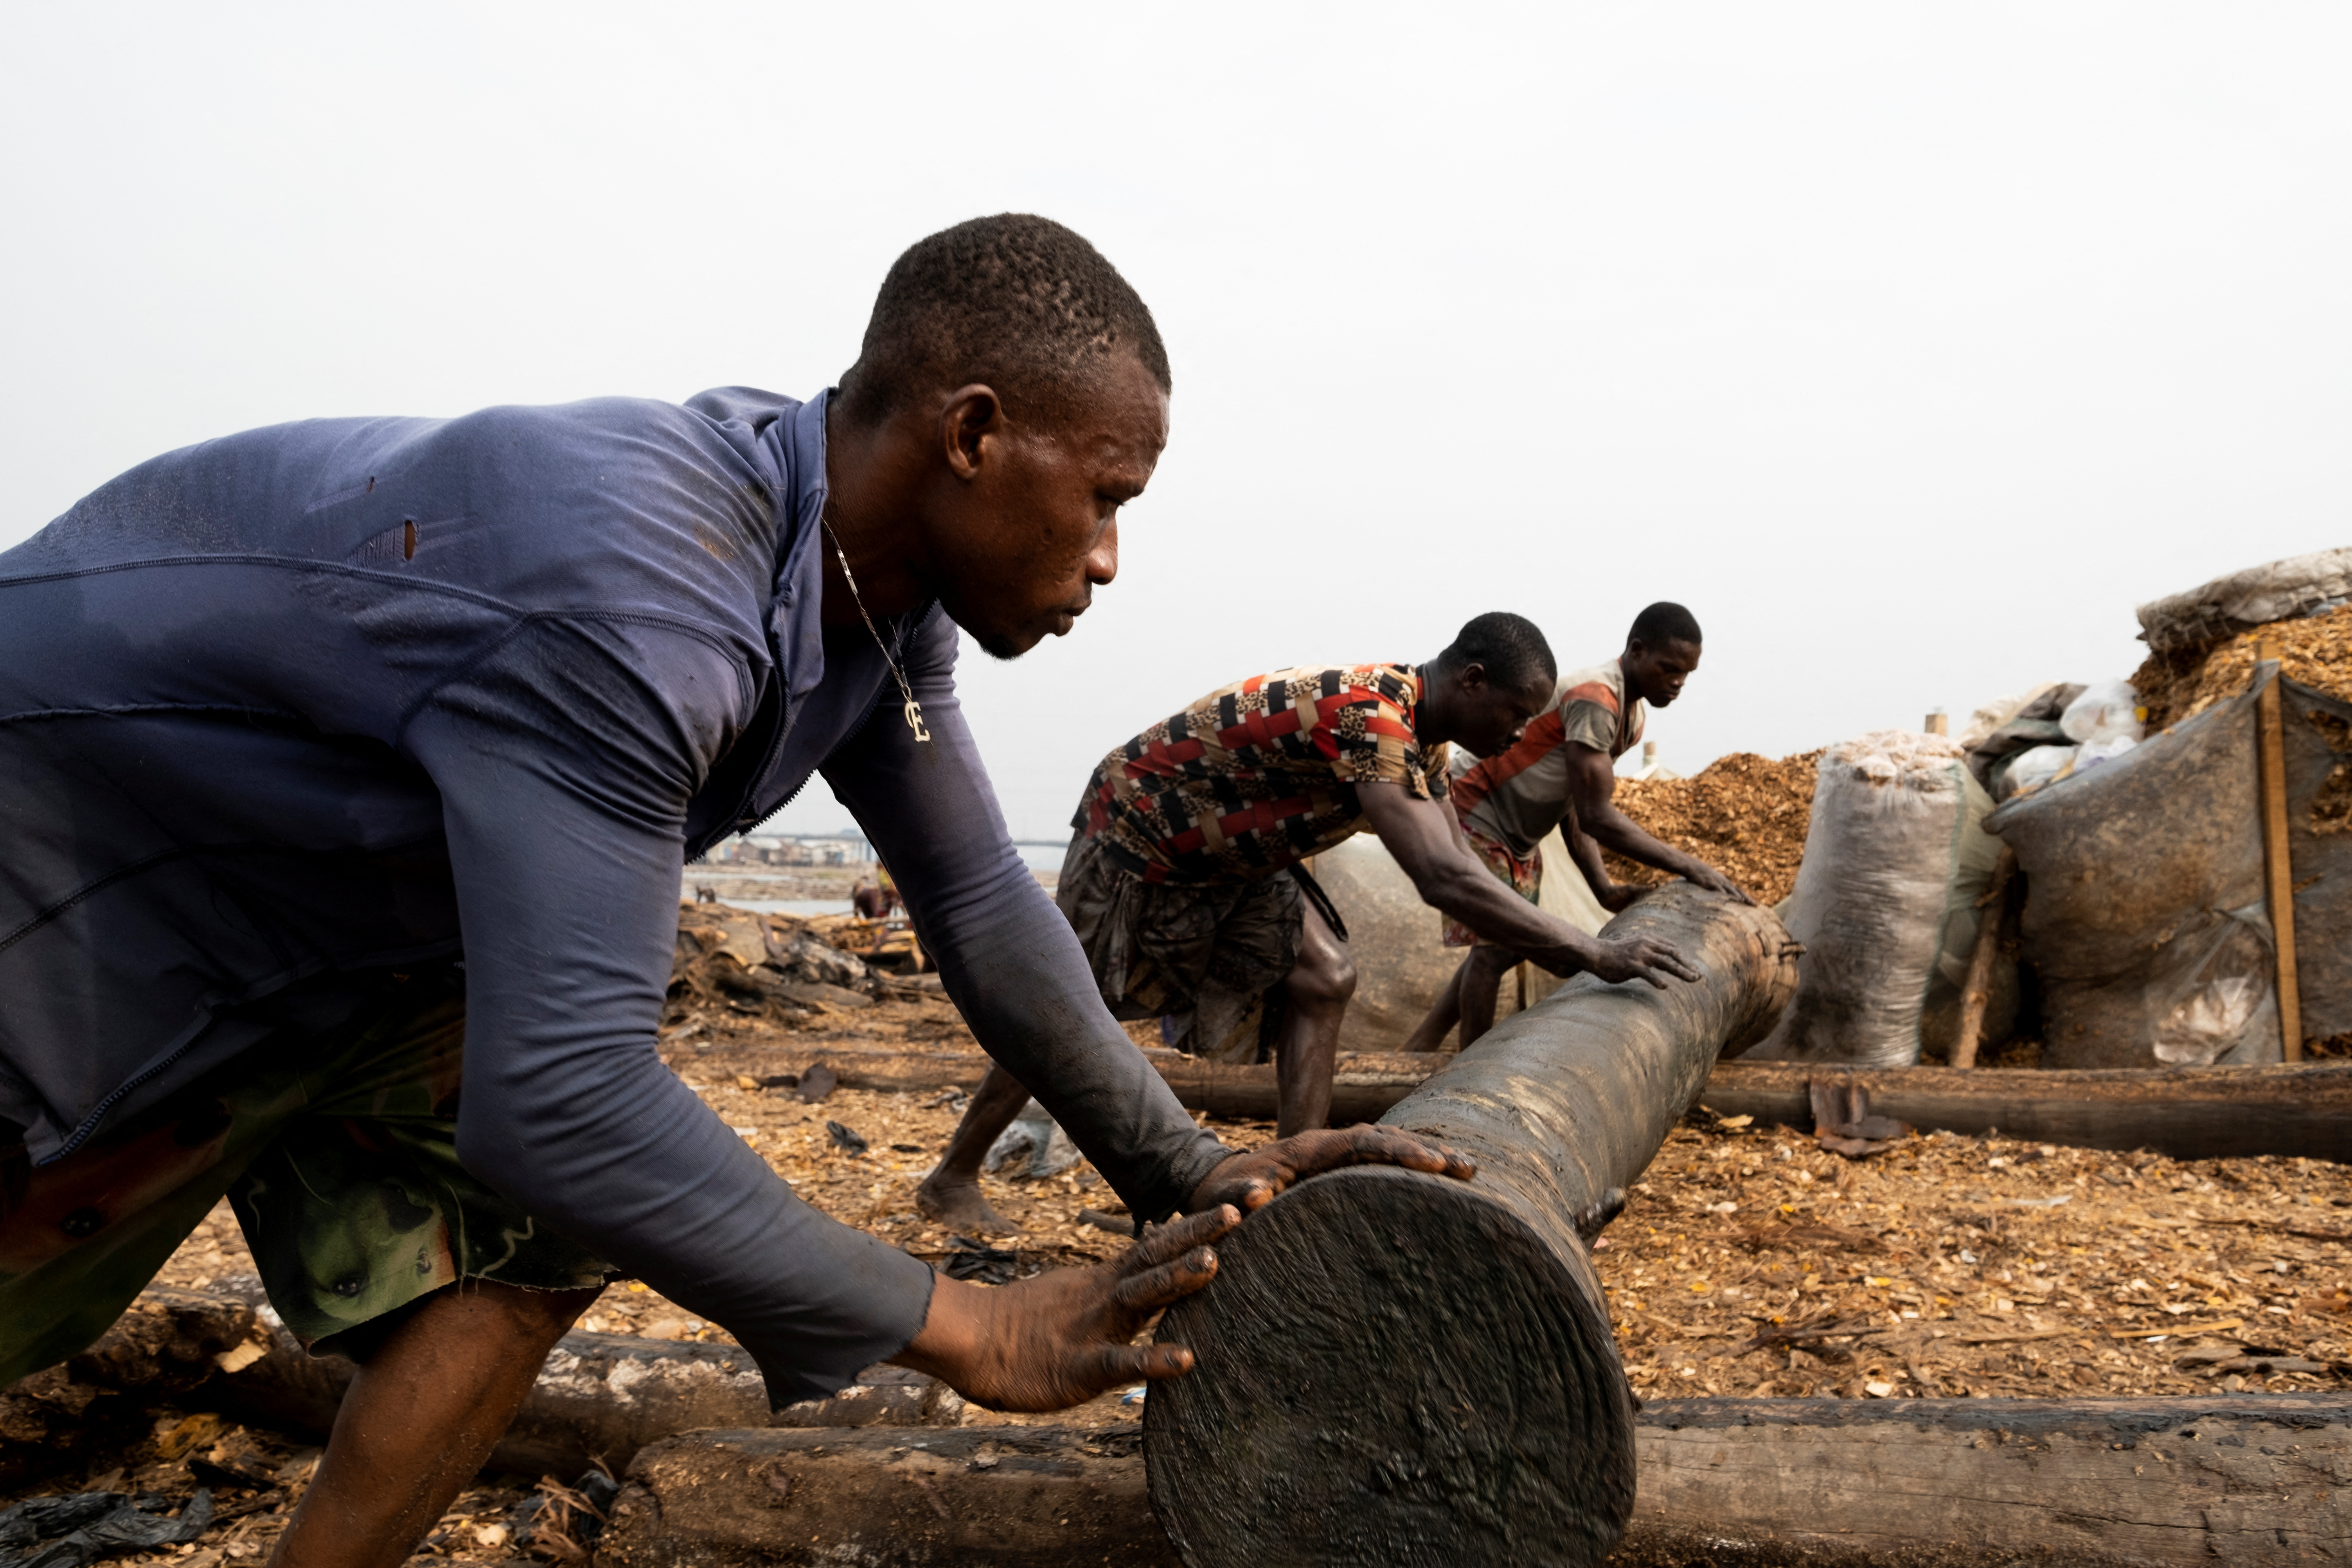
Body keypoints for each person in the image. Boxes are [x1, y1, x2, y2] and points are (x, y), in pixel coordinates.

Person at [0, 214, 1471, 1568]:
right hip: (75, 862)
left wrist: (1188, 1169)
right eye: (1101, 497)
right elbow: (566, 1094)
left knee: (542, 1240)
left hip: (323, 926)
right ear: (972, 434)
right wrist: (963, 1324)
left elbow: (975, 894)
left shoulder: (863, 598)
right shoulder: (640, 582)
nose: (1104, 558)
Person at [913, 616, 1700, 1237]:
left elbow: (1464, 864)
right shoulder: (1372, 719)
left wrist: (1550, 936)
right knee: (1063, 1011)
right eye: (1516, 714)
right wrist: (1594, 950)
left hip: (1237, 862)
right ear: (1472, 679)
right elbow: (1441, 879)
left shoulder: (1421, 740)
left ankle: (1288, 1180)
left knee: (1325, 976)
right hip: (1143, 833)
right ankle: (952, 1175)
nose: (1521, 732)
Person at [1403, 600, 1748, 1052]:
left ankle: (1418, 1052)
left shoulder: (1632, 716)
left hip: (1520, 834)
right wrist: (1691, 866)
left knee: (1495, 947)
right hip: (1477, 807)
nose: (1678, 682)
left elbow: (1577, 805)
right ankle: (1466, 1072)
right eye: (1669, 668)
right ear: (1637, 651)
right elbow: (1599, 817)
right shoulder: (1597, 698)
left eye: (1687, 674)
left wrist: (1602, 888)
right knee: (1496, 947)